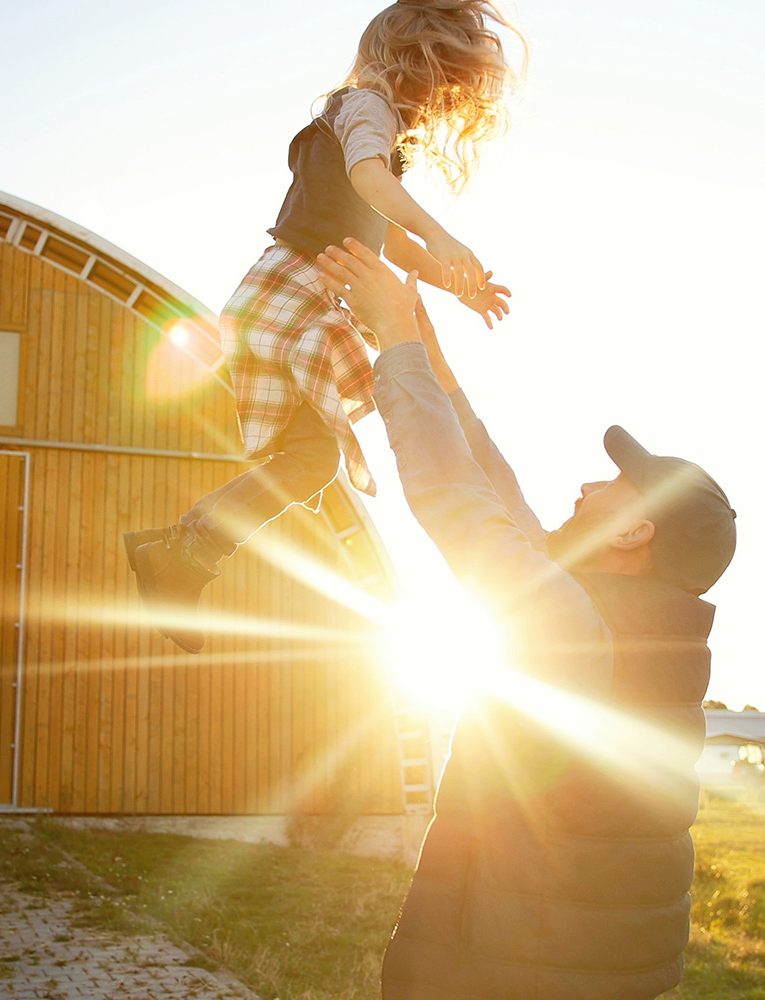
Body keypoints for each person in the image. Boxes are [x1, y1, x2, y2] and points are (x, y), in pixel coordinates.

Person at [314, 238, 736, 1000]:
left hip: (512, 974)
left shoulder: (575, 628)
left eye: (612, 486)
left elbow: (457, 501)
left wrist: (400, 350)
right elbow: (494, 485)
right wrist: (423, 355)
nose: (585, 485)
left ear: (634, 532)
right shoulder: (627, 632)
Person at [126, 0, 523, 653]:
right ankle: (179, 553)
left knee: (311, 458)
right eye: (439, 87)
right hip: (289, 296)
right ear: (411, 68)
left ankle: (177, 551)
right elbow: (370, 180)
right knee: (313, 458)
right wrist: (443, 232)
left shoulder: (373, 131)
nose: (436, 107)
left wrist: (461, 289)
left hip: (295, 300)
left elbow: (389, 236)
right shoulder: (364, 109)